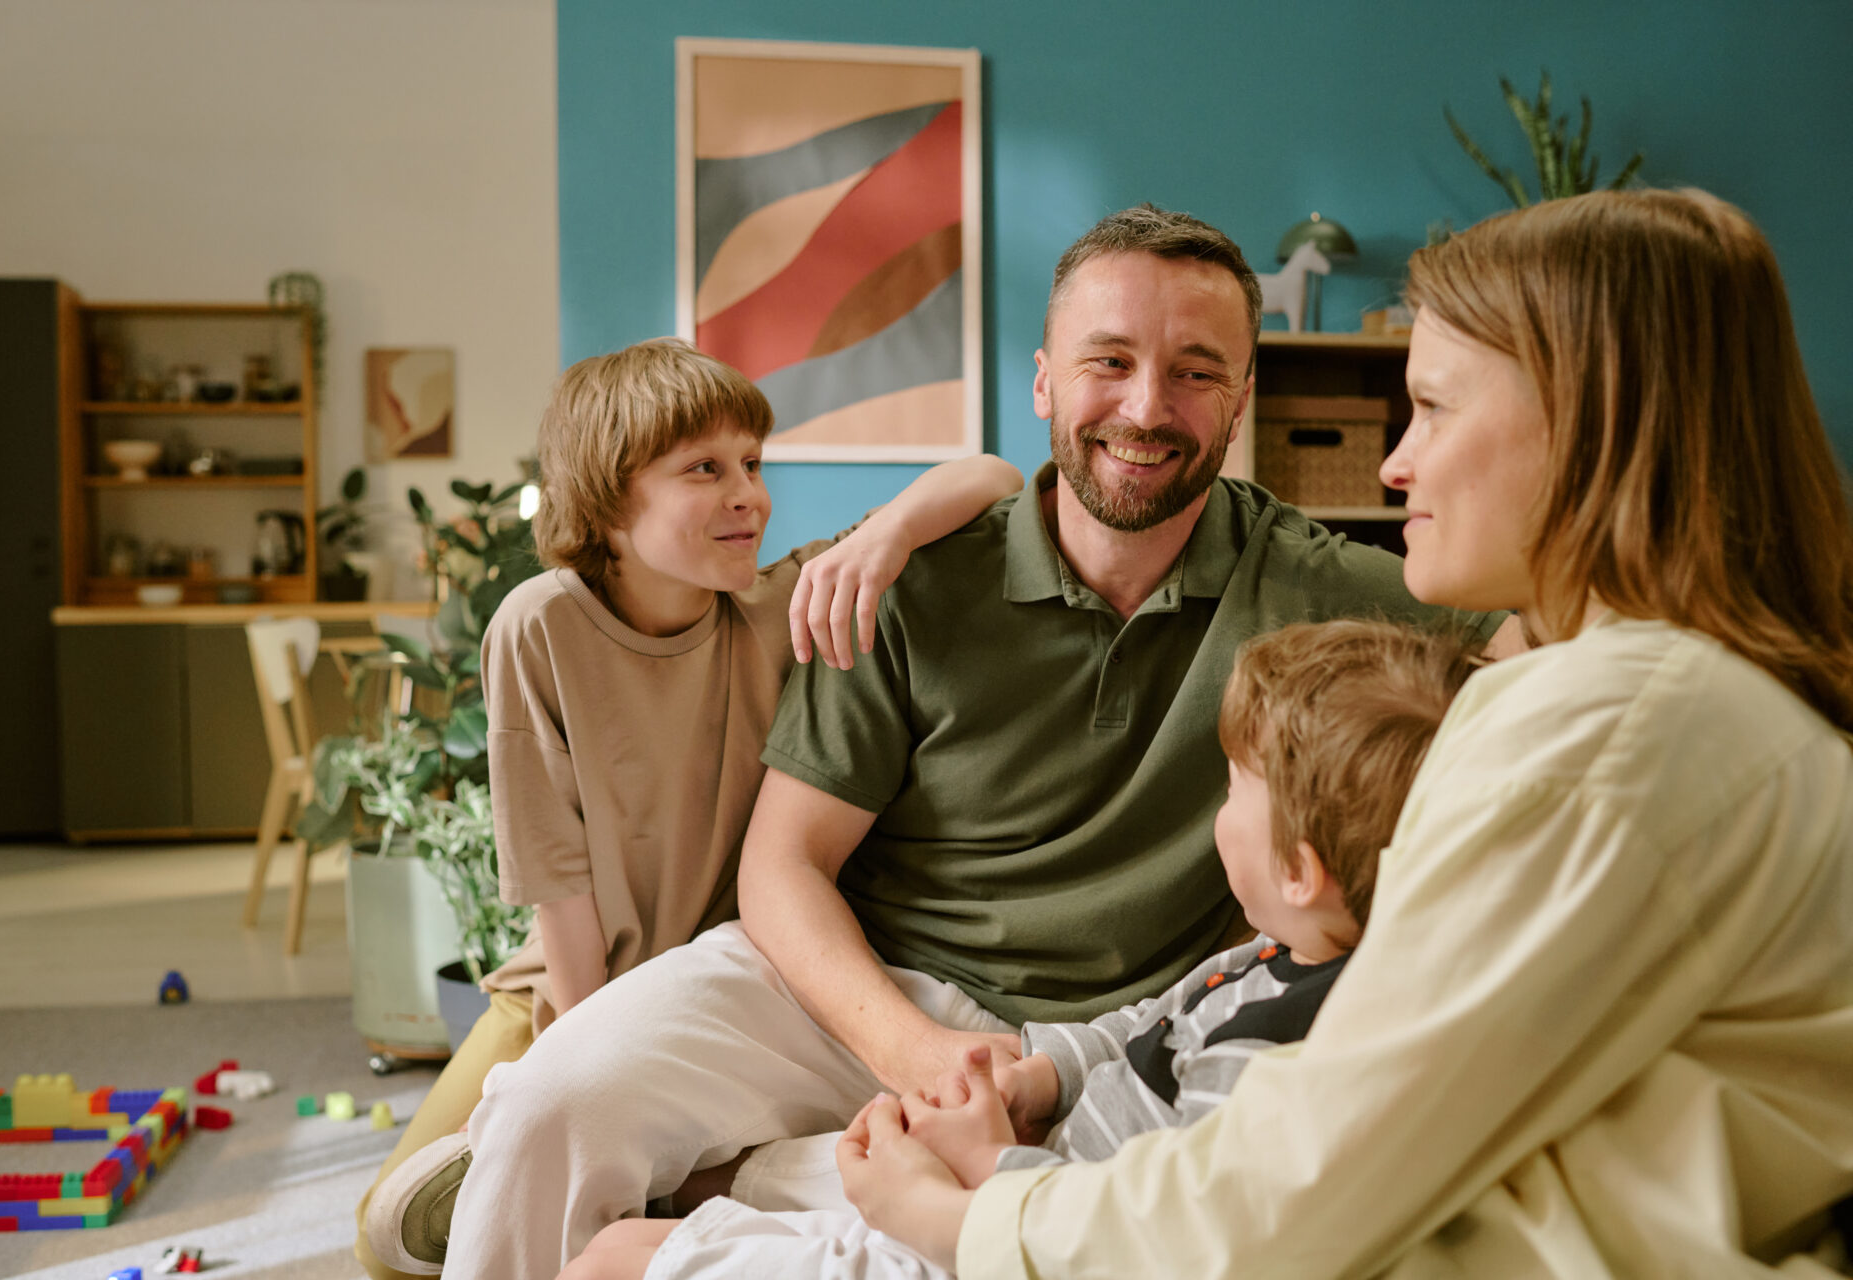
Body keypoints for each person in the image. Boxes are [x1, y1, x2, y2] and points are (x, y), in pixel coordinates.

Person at [434, 204, 1517, 1280]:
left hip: (1098, 1043)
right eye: (1110, 361)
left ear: (1241, 401)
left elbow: (1554, 633)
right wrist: (916, 1053)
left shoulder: (1325, 587)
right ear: (1044, 379)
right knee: (551, 1102)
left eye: (1195, 372)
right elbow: (783, 865)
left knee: (1069, 1210)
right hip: (852, 985)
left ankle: (761, 1179)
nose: (1147, 407)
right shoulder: (908, 574)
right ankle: (744, 1172)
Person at [841, 188, 1853, 1278]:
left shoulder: (1612, 735)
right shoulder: (1675, 698)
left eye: (1433, 407)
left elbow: (1295, 1184)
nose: (1393, 463)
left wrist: (977, 1212)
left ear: (1591, 421)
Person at [357, 337, 1022, 1279]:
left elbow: (993, 475)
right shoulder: (539, 625)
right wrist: (584, 1064)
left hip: (724, 994)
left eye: (753, 463)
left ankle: (669, 1179)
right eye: (703, 469)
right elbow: (560, 889)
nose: (747, 492)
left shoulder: (782, 603)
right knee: (384, 1241)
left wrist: (886, 534)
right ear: (607, 499)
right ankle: (582, 1159)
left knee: (653, 1202)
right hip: (570, 989)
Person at [562, 618, 1489, 1280]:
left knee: (613, 1261)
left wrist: (980, 1165)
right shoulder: (1268, 956)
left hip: (1003, 1236)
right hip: (1018, 1179)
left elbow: (1142, 1237)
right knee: (708, 1193)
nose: (1220, 811)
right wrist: (1040, 1077)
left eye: (1237, 790)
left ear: (1301, 868)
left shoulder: (1277, 1048)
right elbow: (1145, 1027)